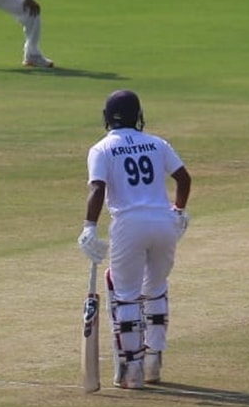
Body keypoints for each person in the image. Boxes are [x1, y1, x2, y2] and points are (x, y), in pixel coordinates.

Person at [79, 90, 190, 390]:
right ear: (138, 116)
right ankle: (154, 362)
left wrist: (90, 226)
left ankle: (132, 371)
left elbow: (97, 189)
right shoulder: (157, 143)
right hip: (164, 223)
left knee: (126, 295)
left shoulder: (101, 149)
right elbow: (184, 179)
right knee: (155, 291)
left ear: (106, 117)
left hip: (129, 224)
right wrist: (178, 211)